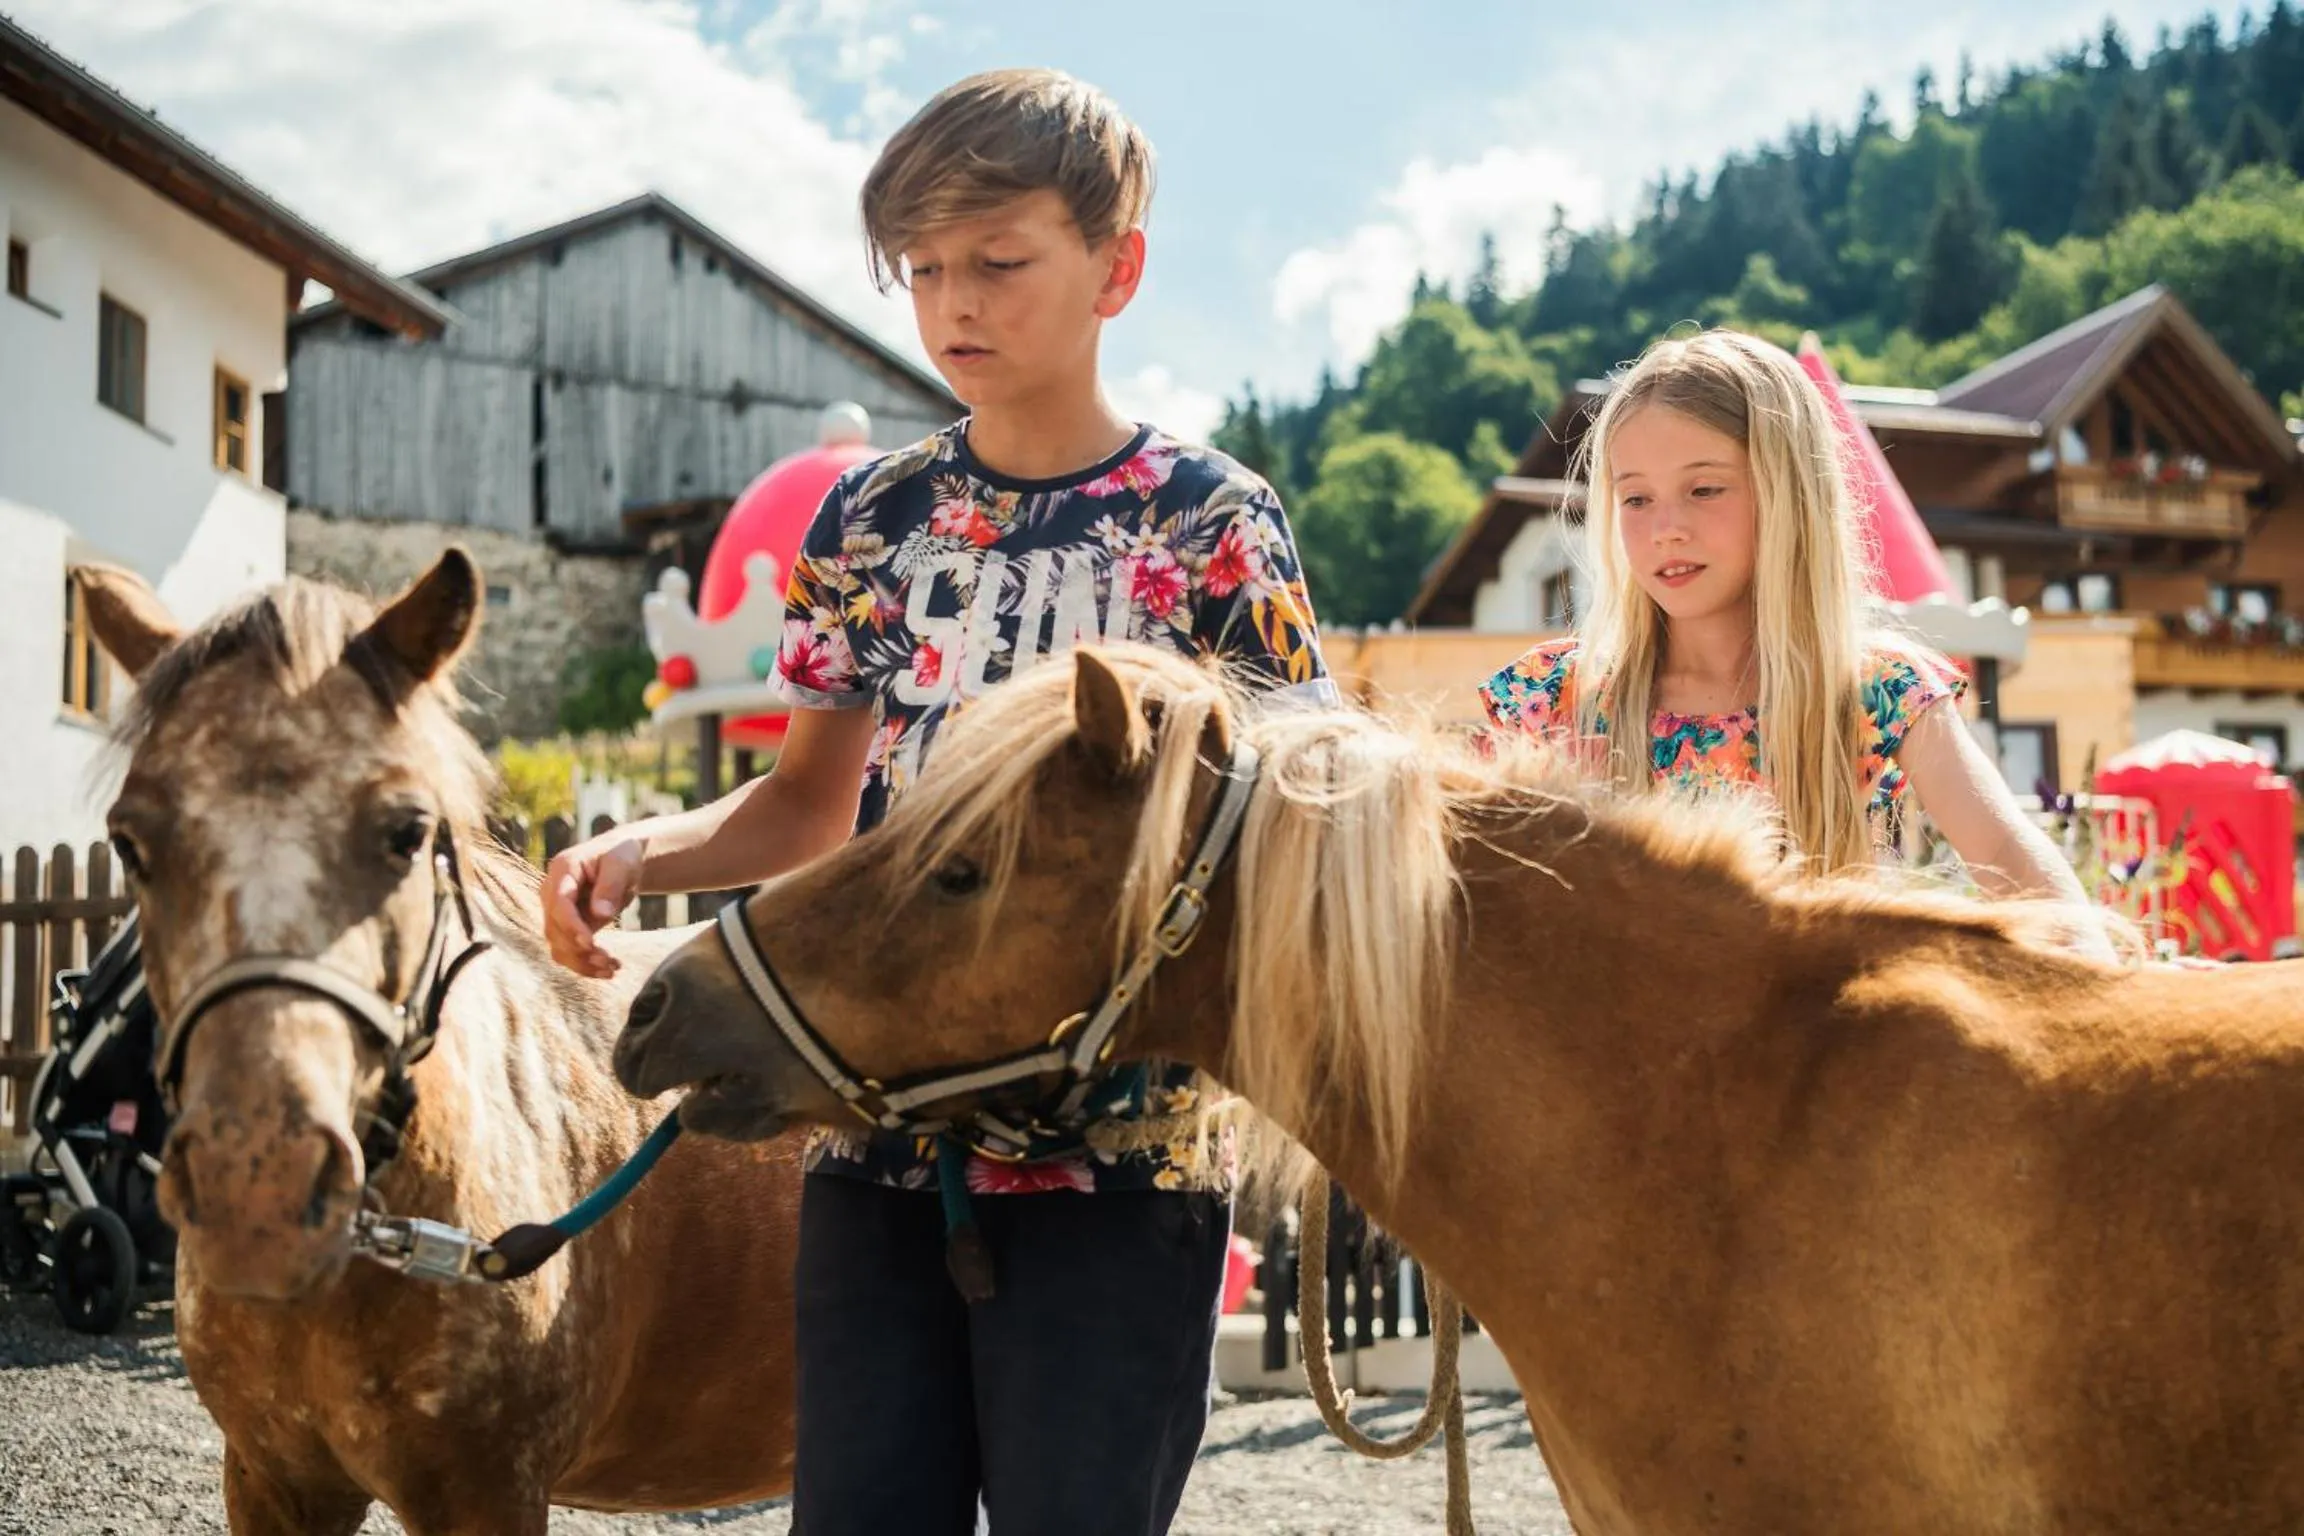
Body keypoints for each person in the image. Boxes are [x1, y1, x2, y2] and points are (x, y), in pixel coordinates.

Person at [542, 67, 1334, 1536]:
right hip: (874, 1146)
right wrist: (641, 854)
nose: (955, 304)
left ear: (1119, 267)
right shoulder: (870, 520)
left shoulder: (1213, 521)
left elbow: (1303, 834)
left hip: (1126, 1160)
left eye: (999, 262)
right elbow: (805, 807)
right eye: (922, 271)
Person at [1478, 328, 2104, 925]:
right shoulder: (1554, 701)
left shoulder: (1879, 690)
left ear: (1789, 496)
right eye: (1635, 498)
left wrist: (2117, 975)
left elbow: (2021, 872)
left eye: (1704, 489)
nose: (1665, 526)